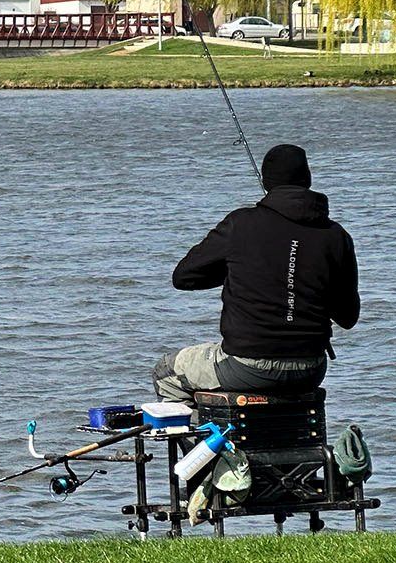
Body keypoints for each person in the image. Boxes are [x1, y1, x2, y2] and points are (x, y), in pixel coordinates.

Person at [154, 143, 360, 404]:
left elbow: (183, 277)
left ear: (266, 182)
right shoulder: (336, 236)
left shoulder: (241, 224)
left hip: (245, 366)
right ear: (307, 179)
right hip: (311, 368)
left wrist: (239, 271)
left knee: (166, 372)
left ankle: (203, 443)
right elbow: (348, 317)